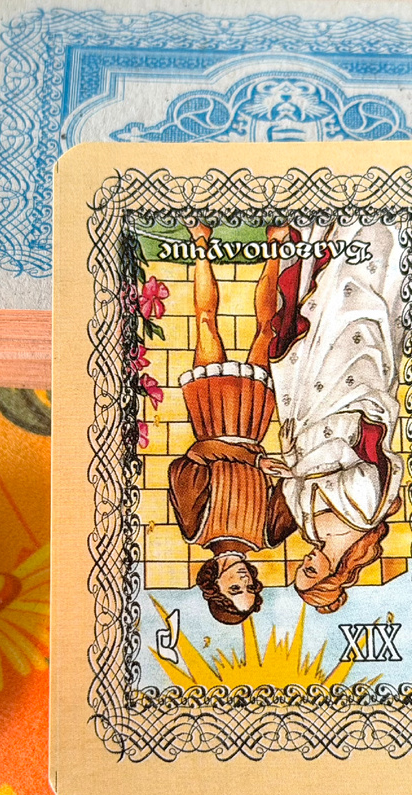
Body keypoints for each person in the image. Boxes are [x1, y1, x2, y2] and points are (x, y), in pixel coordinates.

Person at [263, 218, 407, 614]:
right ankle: (363, 237)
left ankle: (316, 237)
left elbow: (295, 477)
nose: (306, 562)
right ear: (334, 575)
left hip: (304, 415)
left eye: (301, 568)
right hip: (346, 406)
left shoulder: (309, 528)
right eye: (311, 572)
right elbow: (353, 456)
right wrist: (298, 471)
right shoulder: (365, 514)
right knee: (348, 322)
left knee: (306, 333)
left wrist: (288, 466)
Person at [167, 222, 296, 625]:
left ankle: (200, 239)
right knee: (267, 330)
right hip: (255, 419)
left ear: (214, 584)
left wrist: (253, 463)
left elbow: (194, 456)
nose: (244, 581)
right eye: (250, 587)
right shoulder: (269, 536)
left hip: (211, 415)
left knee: (206, 322)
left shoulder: (195, 529)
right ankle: (275, 244)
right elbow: (298, 487)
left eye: (234, 589)